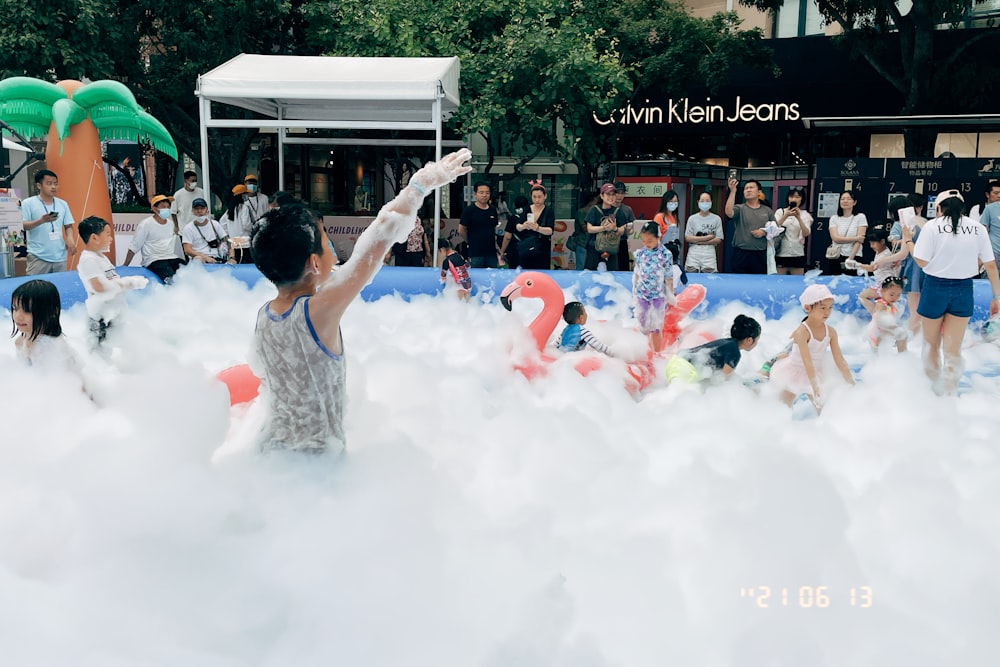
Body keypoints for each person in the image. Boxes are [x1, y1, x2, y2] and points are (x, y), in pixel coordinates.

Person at [249, 148, 471, 454]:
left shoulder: (265, 314)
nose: (331, 247)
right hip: (314, 461)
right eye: (326, 241)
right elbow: (376, 244)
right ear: (314, 263)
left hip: (271, 450)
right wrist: (420, 185)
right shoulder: (317, 311)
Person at [903, 188, 1000, 395]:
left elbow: (921, 261)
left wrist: (908, 240)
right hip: (964, 289)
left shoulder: (932, 226)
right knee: (953, 349)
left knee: (930, 345)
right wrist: (997, 296)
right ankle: (949, 395)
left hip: (935, 287)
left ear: (939, 207)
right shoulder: (977, 228)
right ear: (962, 207)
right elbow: (990, 265)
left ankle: (932, 393)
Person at [768, 284, 855, 411]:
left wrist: (851, 382)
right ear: (807, 308)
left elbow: (839, 360)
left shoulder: (831, 332)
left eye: (830, 308)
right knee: (782, 408)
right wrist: (815, 386)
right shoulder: (802, 332)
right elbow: (806, 361)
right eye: (822, 308)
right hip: (794, 371)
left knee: (824, 410)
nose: (827, 312)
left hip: (817, 371)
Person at [77, 216, 148, 346]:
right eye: (108, 234)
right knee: (100, 351)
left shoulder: (101, 257)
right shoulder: (89, 260)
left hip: (112, 312)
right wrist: (128, 283)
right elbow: (99, 287)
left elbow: (111, 280)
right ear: (94, 238)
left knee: (115, 346)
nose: (111, 239)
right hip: (101, 317)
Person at [665, 314, 761, 384]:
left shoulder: (726, 342)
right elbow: (723, 378)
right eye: (757, 340)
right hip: (686, 370)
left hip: (677, 360)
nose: (757, 343)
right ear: (749, 340)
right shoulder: (735, 352)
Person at [9, 279, 77, 373]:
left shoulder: (55, 350)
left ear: (52, 312)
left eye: (27, 310)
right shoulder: (21, 341)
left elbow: (74, 383)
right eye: (15, 308)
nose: (18, 316)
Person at [20, 169, 77, 275]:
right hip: (38, 256)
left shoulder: (62, 204)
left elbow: (68, 225)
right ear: (39, 186)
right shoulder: (28, 203)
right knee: (36, 289)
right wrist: (41, 221)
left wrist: (70, 238)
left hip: (59, 256)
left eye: (55, 184)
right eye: (49, 184)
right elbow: (22, 226)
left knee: (59, 288)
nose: (53, 187)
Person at [632, 221, 676, 353]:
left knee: (656, 327)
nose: (646, 244)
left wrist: (671, 294)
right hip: (642, 294)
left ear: (659, 237)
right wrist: (634, 291)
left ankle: (657, 354)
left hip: (658, 295)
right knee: (642, 325)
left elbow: (669, 277)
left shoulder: (666, 254)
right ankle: (643, 352)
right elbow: (637, 274)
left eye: (650, 240)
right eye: (644, 240)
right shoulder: (640, 254)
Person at [888, 193, 928, 335]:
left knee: (914, 310)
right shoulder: (924, 221)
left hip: (913, 266)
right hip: (928, 266)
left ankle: (912, 340)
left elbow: (900, 249)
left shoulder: (902, 224)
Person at [124, 194, 184, 283]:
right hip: (153, 260)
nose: (167, 209)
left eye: (168, 207)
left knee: (186, 270)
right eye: (163, 207)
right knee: (171, 279)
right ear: (155, 209)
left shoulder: (170, 224)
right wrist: (125, 266)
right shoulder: (145, 224)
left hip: (170, 257)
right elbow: (134, 246)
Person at [724, 178, 772, 274]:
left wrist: (763, 232)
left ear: (759, 192)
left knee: (758, 283)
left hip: (760, 253)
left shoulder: (767, 210)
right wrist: (733, 191)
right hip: (741, 253)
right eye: (746, 188)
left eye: (751, 188)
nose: (748, 190)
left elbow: (775, 228)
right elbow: (728, 212)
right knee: (739, 282)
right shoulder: (740, 208)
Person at [583, 183, 628, 270]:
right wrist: (604, 228)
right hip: (594, 248)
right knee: (590, 274)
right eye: (608, 194)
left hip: (612, 248)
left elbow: (622, 230)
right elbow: (589, 229)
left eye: (613, 194)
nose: (611, 197)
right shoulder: (594, 210)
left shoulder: (618, 212)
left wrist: (614, 228)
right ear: (601, 196)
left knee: (613, 275)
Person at [858, 276, 908, 352]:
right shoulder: (881, 305)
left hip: (882, 332)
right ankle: (902, 356)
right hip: (877, 334)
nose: (895, 298)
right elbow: (881, 322)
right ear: (882, 291)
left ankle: (902, 357)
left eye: (898, 295)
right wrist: (894, 329)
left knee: (901, 335)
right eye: (892, 294)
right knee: (901, 335)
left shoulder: (890, 304)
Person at [512, 183, 555, 270]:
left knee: (542, 272)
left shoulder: (549, 211)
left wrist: (538, 228)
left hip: (542, 246)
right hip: (527, 244)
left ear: (545, 196)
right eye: (534, 197)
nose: (537, 199)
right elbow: (518, 227)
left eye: (539, 197)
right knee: (526, 272)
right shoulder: (526, 209)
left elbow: (550, 230)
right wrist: (524, 226)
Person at [825, 190, 867, 275]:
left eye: (848, 199)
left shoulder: (860, 217)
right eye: (842, 199)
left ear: (854, 202)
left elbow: (859, 241)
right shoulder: (834, 218)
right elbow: (835, 238)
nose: (845, 201)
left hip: (854, 257)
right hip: (835, 256)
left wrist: (850, 258)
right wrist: (856, 238)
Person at [459, 181, 500, 268]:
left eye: (487, 193)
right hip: (475, 252)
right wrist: (470, 241)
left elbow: (494, 227)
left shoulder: (492, 209)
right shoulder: (469, 210)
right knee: (476, 276)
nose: (484, 195)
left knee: (491, 276)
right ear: (475, 194)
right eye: (481, 192)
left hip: (491, 252)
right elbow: (461, 230)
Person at [181, 198, 234, 264]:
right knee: (198, 259)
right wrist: (206, 258)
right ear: (192, 211)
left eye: (202, 208)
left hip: (217, 258)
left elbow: (228, 242)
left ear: (207, 211)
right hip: (200, 259)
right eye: (196, 209)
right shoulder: (188, 228)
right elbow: (187, 250)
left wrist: (232, 257)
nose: (199, 211)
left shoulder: (215, 224)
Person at [773, 188, 813, 275]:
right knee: (780, 282)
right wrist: (786, 215)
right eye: (791, 196)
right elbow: (773, 228)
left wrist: (798, 217)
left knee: (796, 283)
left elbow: (806, 233)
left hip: (797, 253)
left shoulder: (805, 215)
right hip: (781, 253)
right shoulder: (780, 212)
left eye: (797, 197)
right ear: (788, 198)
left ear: (802, 199)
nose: (794, 199)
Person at [684, 191, 723, 273]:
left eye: (707, 201)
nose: (705, 203)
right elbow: (688, 238)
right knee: (691, 276)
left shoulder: (716, 219)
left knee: (710, 277)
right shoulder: (692, 218)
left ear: (711, 202)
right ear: (698, 202)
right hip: (694, 252)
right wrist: (708, 237)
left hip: (709, 252)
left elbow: (718, 239)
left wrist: (699, 241)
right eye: (702, 201)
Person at [220, 185, 254, 263]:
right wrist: (253, 229)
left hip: (234, 245)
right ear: (241, 195)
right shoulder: (244, 208)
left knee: (237, 265)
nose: (247, 196)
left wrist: (229, 234)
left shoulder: (230, 209)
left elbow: (222, 223)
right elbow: (246, 225)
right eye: (245, 194)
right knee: (248, 266)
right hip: (245, 244)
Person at [570, 191, 599, 270]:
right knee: (581, 266)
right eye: (596, 199)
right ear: (592, 201)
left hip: (592, 243)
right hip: (582, 242)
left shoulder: (595, 212)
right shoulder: (582, 212)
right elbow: (585, 228)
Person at [500, 195, 530, 269]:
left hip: (515, 250)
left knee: (514, 271)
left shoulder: (513, 218)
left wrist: (502, 251)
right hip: (530, 249)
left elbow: (507, 237)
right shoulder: (531, 217)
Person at [614, 182, 637, 270]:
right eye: (617, 193)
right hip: (607, 242)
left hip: (622, 242)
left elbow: (631, 230)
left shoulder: (627, 209)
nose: (620, 196)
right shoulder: (607, 207)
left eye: (622, 193)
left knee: (623, 268)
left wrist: (626, 229)